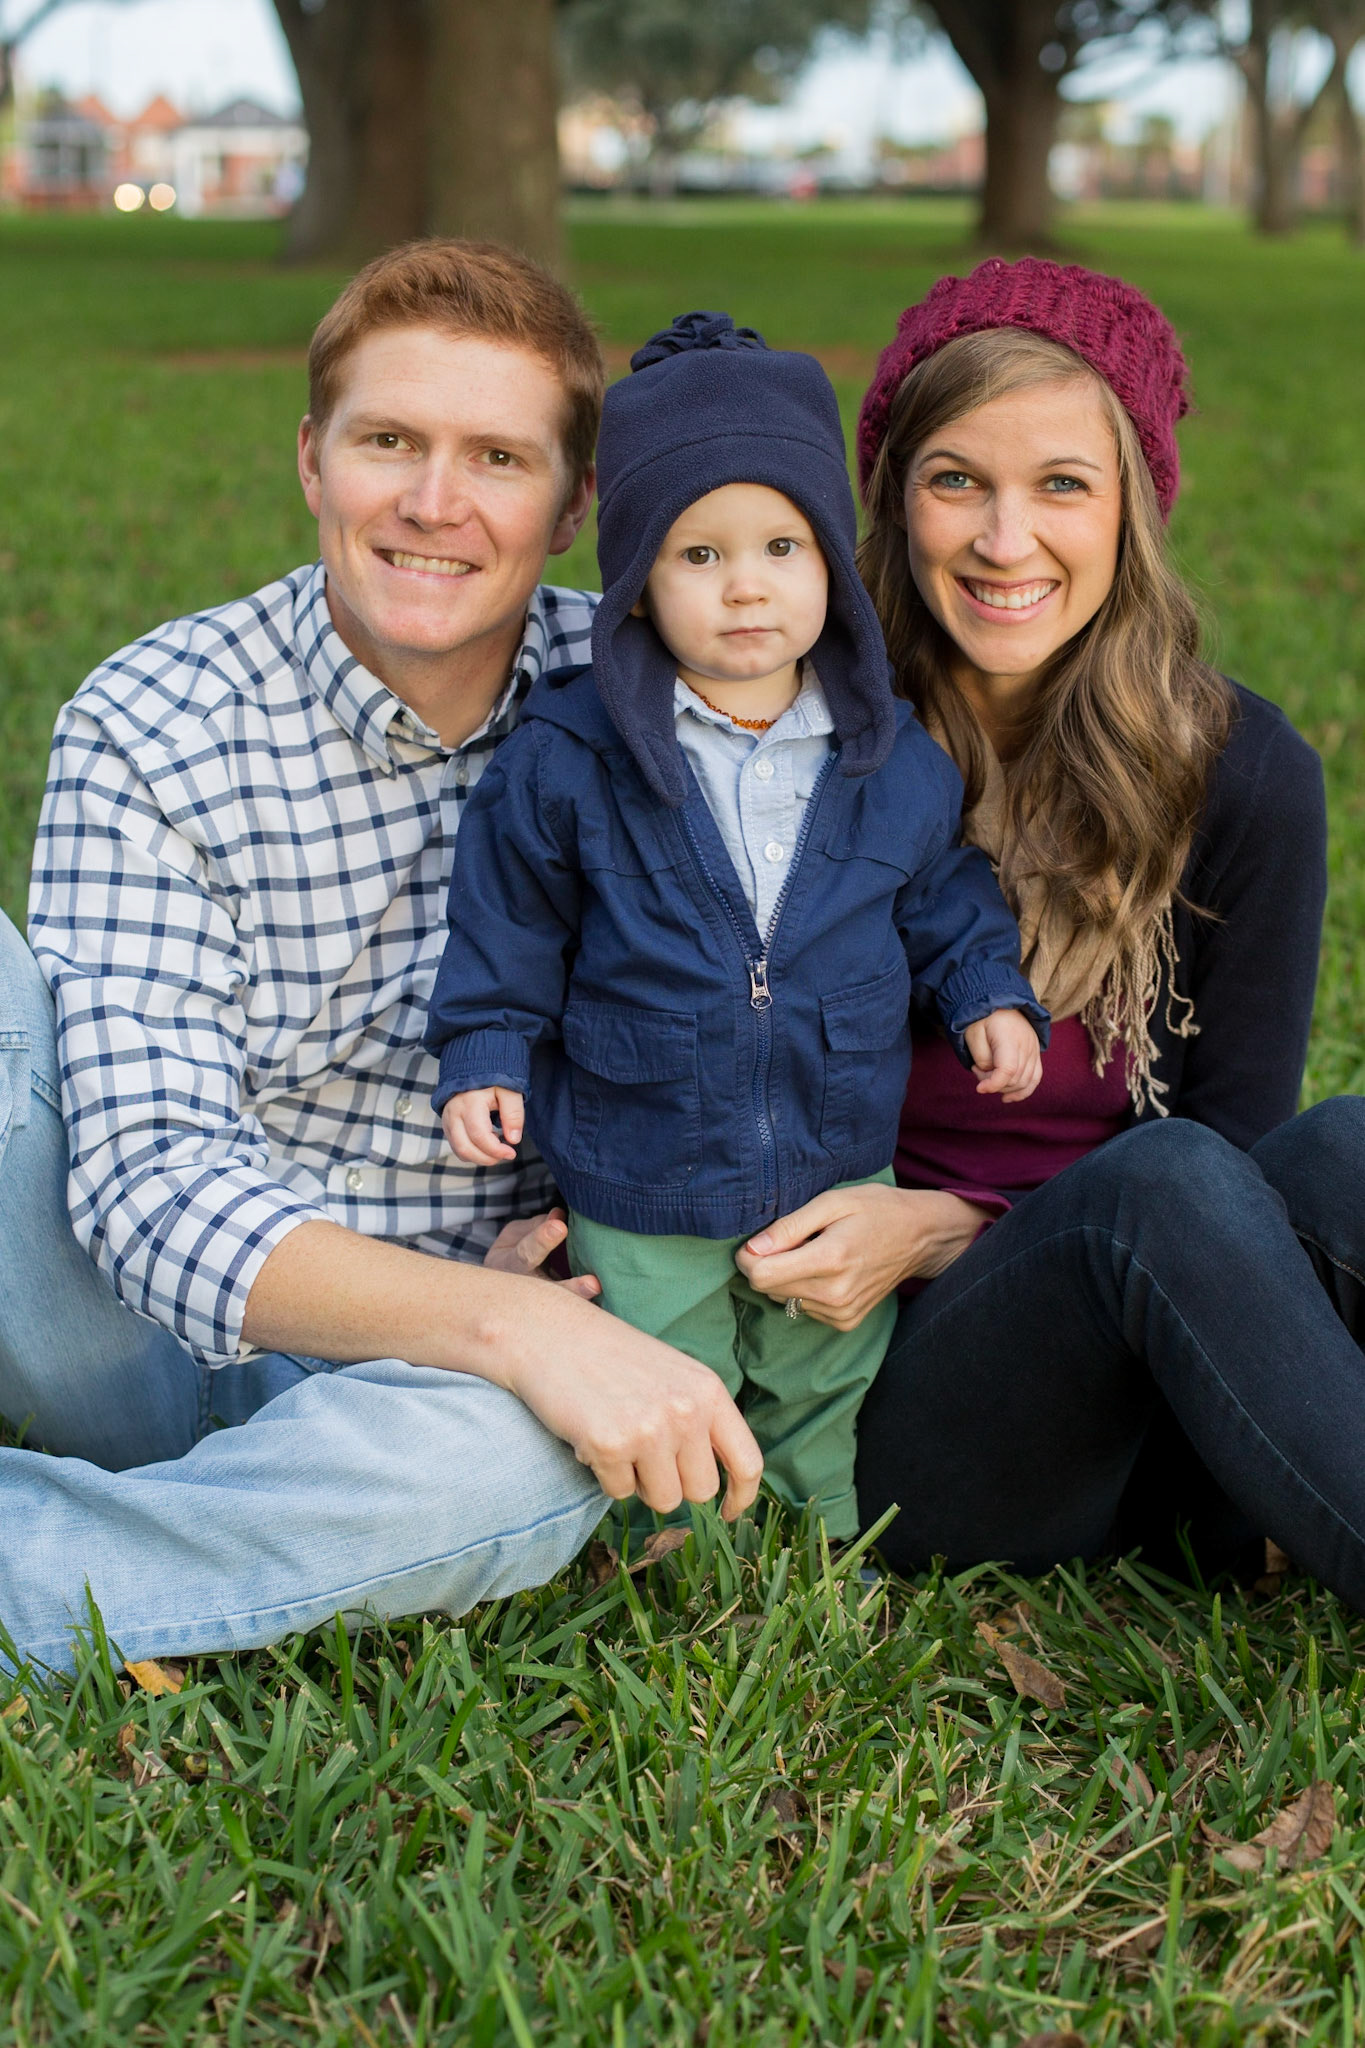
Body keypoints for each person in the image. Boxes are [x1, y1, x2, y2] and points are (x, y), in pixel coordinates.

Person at [0, 241, 763, 1676]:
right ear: (312, 459)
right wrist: (510, 1324)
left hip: (428, 1402)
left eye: (498, 458)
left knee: (529, 1464)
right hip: (126, 1336)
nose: (433, 502)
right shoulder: (155, 713)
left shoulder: (663, 706)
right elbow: (148, 1185)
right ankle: (213, 1546)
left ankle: (71, 1556)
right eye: (390, 442)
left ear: (574, 504)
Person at [730, 257, 1365, 1613]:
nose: (1004, 539)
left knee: (1341, 1150)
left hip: (1151, 1364)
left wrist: (948, 1226)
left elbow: (1247, 1162)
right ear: (893, 498)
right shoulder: (789, 750)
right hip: (890, 1393)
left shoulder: (1241, 773)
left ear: (1132, 502)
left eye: (1062, 484)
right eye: (957, 479)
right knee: (1163, 1183)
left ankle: (1245, 1502)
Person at [426, 312, 1046, 1540]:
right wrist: (486, 1048)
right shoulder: (570, 756)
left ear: (833, 566)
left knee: (824, 1362)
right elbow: (509, 919)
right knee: (665, 1365)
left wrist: (986, 989)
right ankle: (679, 1548)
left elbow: (943, 887)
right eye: (699, 554)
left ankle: (821, 1528)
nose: (746, 584)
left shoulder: (889, 754)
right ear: (637, 581)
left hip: (830, 1141)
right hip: (641, 1147)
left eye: (781, 547)